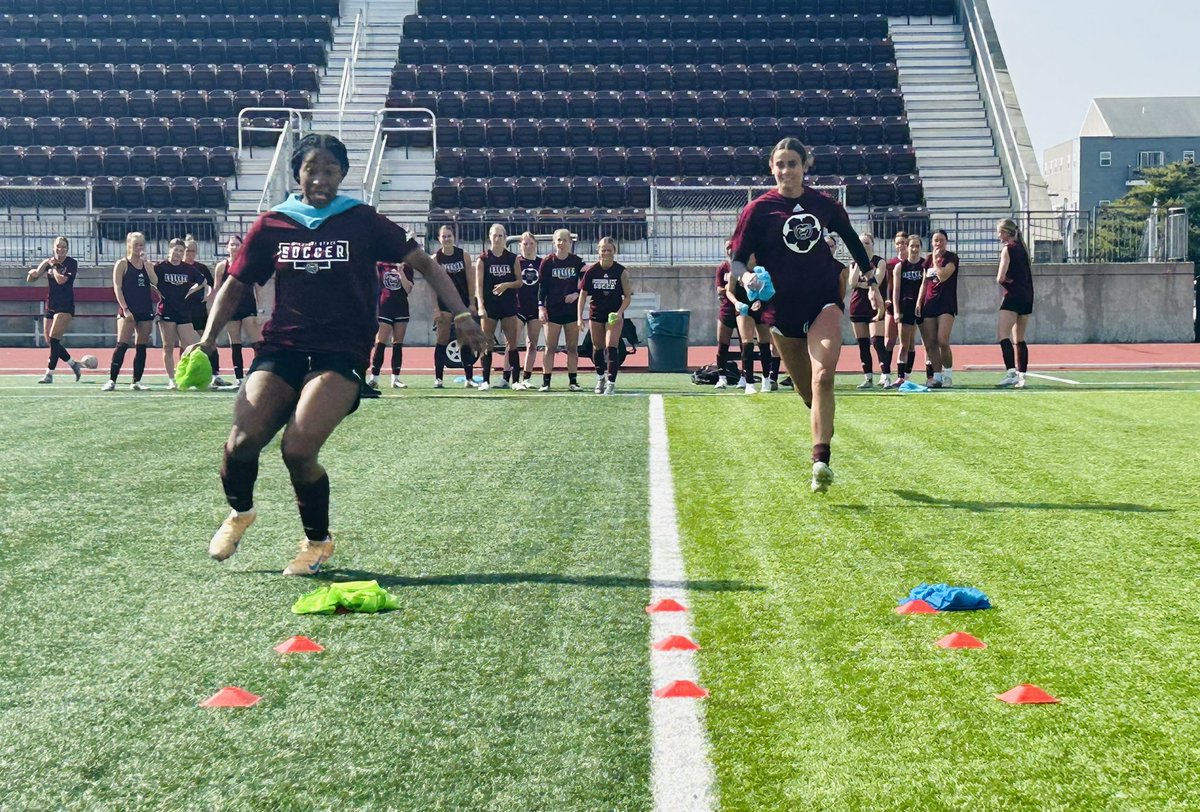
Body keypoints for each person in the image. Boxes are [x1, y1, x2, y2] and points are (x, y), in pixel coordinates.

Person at [188, 133, 485, 576]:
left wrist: (462, 314)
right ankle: (240, 513)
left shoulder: (361, 220)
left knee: (298, 448)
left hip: (340, 353)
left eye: (330, 170)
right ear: (297, 174)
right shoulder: (273, 223)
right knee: (241, 442)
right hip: (283, 347)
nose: (320, 179)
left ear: (343, 174)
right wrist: (208, 339)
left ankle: (316, 543)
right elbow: (235, 283)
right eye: (312, 169)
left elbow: (425, 264)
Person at [728, 137, 874, 492]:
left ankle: (820, 461)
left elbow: (851, 237)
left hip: (823, 300)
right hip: (780, 312)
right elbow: (736, 258)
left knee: (824, 377)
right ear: (771, 168)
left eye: (793, 163)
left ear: (805, 166)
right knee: (808, 392)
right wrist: (745, 275)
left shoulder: (823, 204)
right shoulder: (757, 210)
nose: (786, 170)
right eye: (780, 164)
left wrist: (867, 271)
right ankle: (823, 422)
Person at [103, 231, 158, 391]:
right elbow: (117, 287)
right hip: (128, 310)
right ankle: (112, 380)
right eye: (136, 245)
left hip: (145, 309)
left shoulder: (146, 265)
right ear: (129, 246)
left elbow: (155, 282)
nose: (139, 248)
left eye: (141, 244)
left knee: (141, 345)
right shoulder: (122, 264)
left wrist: (148, 266)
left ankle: (136, 381)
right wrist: (125, 309)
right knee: (122, 344)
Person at [578, 236, 632, 395]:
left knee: (611, 346)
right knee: (598, 347)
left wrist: (619, 312)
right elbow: (582, 295)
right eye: (603, 250)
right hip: (596, 314)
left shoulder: (620, 271)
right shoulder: (591, 271)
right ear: (598, 251)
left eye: (609, 250)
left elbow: (628, 296)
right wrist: (580, 317)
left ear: (614, 251)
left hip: (613, 315)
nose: (606, 253)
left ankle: (611, 382)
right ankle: (600, 377)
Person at [26, 236, 83, 383]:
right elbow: (33, 278)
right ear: (54, 247)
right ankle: (73, 364)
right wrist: (32, 274)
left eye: (63, 247)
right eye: (58, 246)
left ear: (67, 249)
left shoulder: (71, 263)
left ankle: (49, 374)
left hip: (65, 305)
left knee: (54, 338)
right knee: (50, 341)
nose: (60, 249)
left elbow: (61, 280)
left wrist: (54, 266)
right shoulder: (48, 262)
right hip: (51, 303)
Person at [154, 237, 207, 390]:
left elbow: (202, 281)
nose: (178, 253)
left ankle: (184, 374)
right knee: (168, 346)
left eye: (181, 251)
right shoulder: (160, 267)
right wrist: (157, 291)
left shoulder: (188, 268)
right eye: (175, 250)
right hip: (167, 310)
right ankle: (171, 379)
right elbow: (150, 279)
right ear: (169, 250)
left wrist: (192, 290)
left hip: (183, 311)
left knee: (191, 346)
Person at [475, 223, 522, 391]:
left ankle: (516, 381)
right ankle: (485, 380)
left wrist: (506, 285)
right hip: (490, 306)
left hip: (508, 304)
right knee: (487, 343)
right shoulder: (483, 259)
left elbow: (519, 282)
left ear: (505, 238)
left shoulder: (512, 258)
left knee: (512, 343)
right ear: (489, 237)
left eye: (500, 236)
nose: (497, 239)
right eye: (494, 235)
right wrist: (480, 306)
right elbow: (478, 286)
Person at [537, 228, 585, 391]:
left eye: (565, 240)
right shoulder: (547, 262)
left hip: (571, 311)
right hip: (553, 310)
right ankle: (546, 382)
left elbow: (588, 281)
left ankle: (573, 381)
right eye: (559, 240)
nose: (561, 243)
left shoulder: (577, 262)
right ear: (554, 242)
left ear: (570, 242)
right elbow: (541, 288)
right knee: (550, 347)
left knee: (572, 347)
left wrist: (576, 294)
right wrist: (541, 307)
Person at [211, 234, 262, 387]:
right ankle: (239, 377)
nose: (234, 247)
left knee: (256, 343)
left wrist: (259, 309)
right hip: (231, 308)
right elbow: (217, 290)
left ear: (242, 246)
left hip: (248, 306)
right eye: (231, 244)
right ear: (227, 247)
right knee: (235, 343)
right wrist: (216, 309)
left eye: (237, 244)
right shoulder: (222, 266)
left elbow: (257, 287)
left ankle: (257, 372)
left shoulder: (249, 264)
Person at [432, 225, 477, 388]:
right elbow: (432, 286)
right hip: (444, 302)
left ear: (454, 237)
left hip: (461, 302)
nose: (446, 239)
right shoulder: (435, 258)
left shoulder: (463, 255)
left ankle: (469, 378)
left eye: (449, 236)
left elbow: (470, 280)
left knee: (464, 338)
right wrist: (435, 308)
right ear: (439, 239)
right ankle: (438, 378)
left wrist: (472, 302)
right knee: (442, 338)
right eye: (443, 236)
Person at [724, 252, 776, 395]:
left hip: (762, 307)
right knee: (747, 343)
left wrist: (761, 301)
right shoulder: (737, 270)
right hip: (744, 309)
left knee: (764, 342)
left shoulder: (763, 269)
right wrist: (736, 303)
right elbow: (729, 291)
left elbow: (771, 290)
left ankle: (766, 379)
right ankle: (749, 382)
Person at [916, 229, 959, 388]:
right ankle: (937, 375)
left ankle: (948, 374)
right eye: (935, 240)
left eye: (941, 240)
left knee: (942, 340)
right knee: (930, 343)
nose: (938, 243)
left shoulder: (951, 258)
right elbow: (924, 283)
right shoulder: (927, 261)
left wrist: (935, 260)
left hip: (946, 304)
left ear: (946, 241)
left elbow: (942, 276)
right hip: (929, 303)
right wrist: (919, 302)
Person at [995, 218, 1034, 388]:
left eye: (1000, 232)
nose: (998, 235)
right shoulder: (1023, 249)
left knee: (1003, 335)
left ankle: (1011, 372)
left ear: (1006, 232)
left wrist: (1008, 283)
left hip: (1013, 296)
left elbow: (1000, 277)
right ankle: (1022, 375)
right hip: (1027, 296)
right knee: (1019, 338)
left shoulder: (1008, 249)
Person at [184, 235, 226, 387]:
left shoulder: (201, 268)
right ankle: (187, 373)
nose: (190, 254)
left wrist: (208, 299)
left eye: (193, 251)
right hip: (183, 312)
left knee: (209, 342)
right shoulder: (178, 268)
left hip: (200, 310)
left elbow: (212, 287)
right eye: (188, 251)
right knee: (186, 343)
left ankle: (215, 374)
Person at [846, 232, 886, 390]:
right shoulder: (854, 263)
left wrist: (864, 283)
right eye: (861, 244)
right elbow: (852, 283)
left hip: (874, 305)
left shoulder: (879, 261)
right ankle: (867, 377)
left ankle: (885, 374)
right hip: (857, 306)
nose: (864, 247)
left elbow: (876, 281)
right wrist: (859, 270)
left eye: (867, 243)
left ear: (872, 244)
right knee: (863, 344)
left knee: (877, 341)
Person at [367, 261, 414, 389]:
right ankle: (374, 378)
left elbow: (408, 288)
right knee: (381, 341)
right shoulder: (380, 265)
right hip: (384, 307)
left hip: (401, 308)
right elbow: (372, 283)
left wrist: (401, 272)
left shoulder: (406, 266)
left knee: (397, 343)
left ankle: (395, 378)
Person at [891, 234, 926, 388]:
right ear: (907, 246)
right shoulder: (901, 266)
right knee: (904, 344)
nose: (915, 249)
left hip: (920, 308)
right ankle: (900, 377)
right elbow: (896, 291)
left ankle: (908, 375)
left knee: (914, 343)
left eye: (917, 246)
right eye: (912, 246)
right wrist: (897, 310)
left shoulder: (924, 265)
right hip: (905, 306)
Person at [513, 231, 542, 390]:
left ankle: (526, 377)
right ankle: (507, 376)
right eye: (525, 243)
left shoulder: (541, 263)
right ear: (520, 246)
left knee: (532, 344)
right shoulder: (515, 261)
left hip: (535, 308)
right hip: (518, 307)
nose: (528, 246)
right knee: (512, 343)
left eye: (531, 243)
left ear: (535, 245)